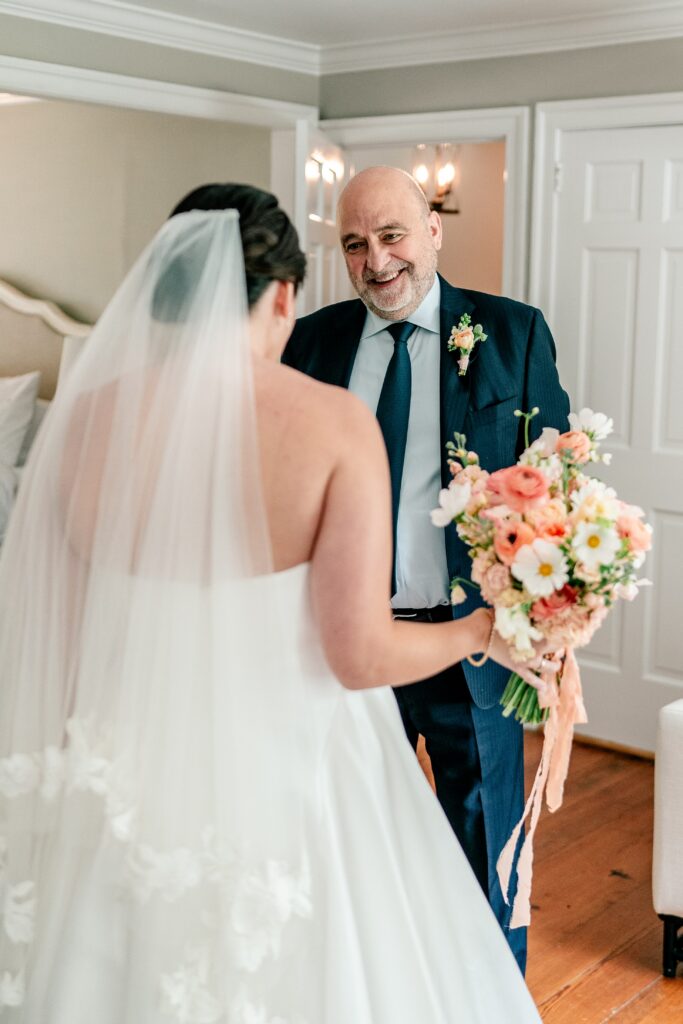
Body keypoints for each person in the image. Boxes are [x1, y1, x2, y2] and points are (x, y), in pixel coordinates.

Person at [0, 184, 545, 1022]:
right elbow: (357, 654)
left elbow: (62, 646)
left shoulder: (81, 424)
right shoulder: (330, 425)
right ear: (284, 294)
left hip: (131, 769)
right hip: (293, 778)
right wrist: (480, 629)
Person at [283, 165, 571, 972]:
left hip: (470, 650)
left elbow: (556, 491)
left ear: (434, 230)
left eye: (391, 235)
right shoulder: (311, 343)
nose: (375, 261)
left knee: (484, 864)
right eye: (354, 244)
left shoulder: (512, 334)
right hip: (342, 653)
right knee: (338, 852)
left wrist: (545, 621)